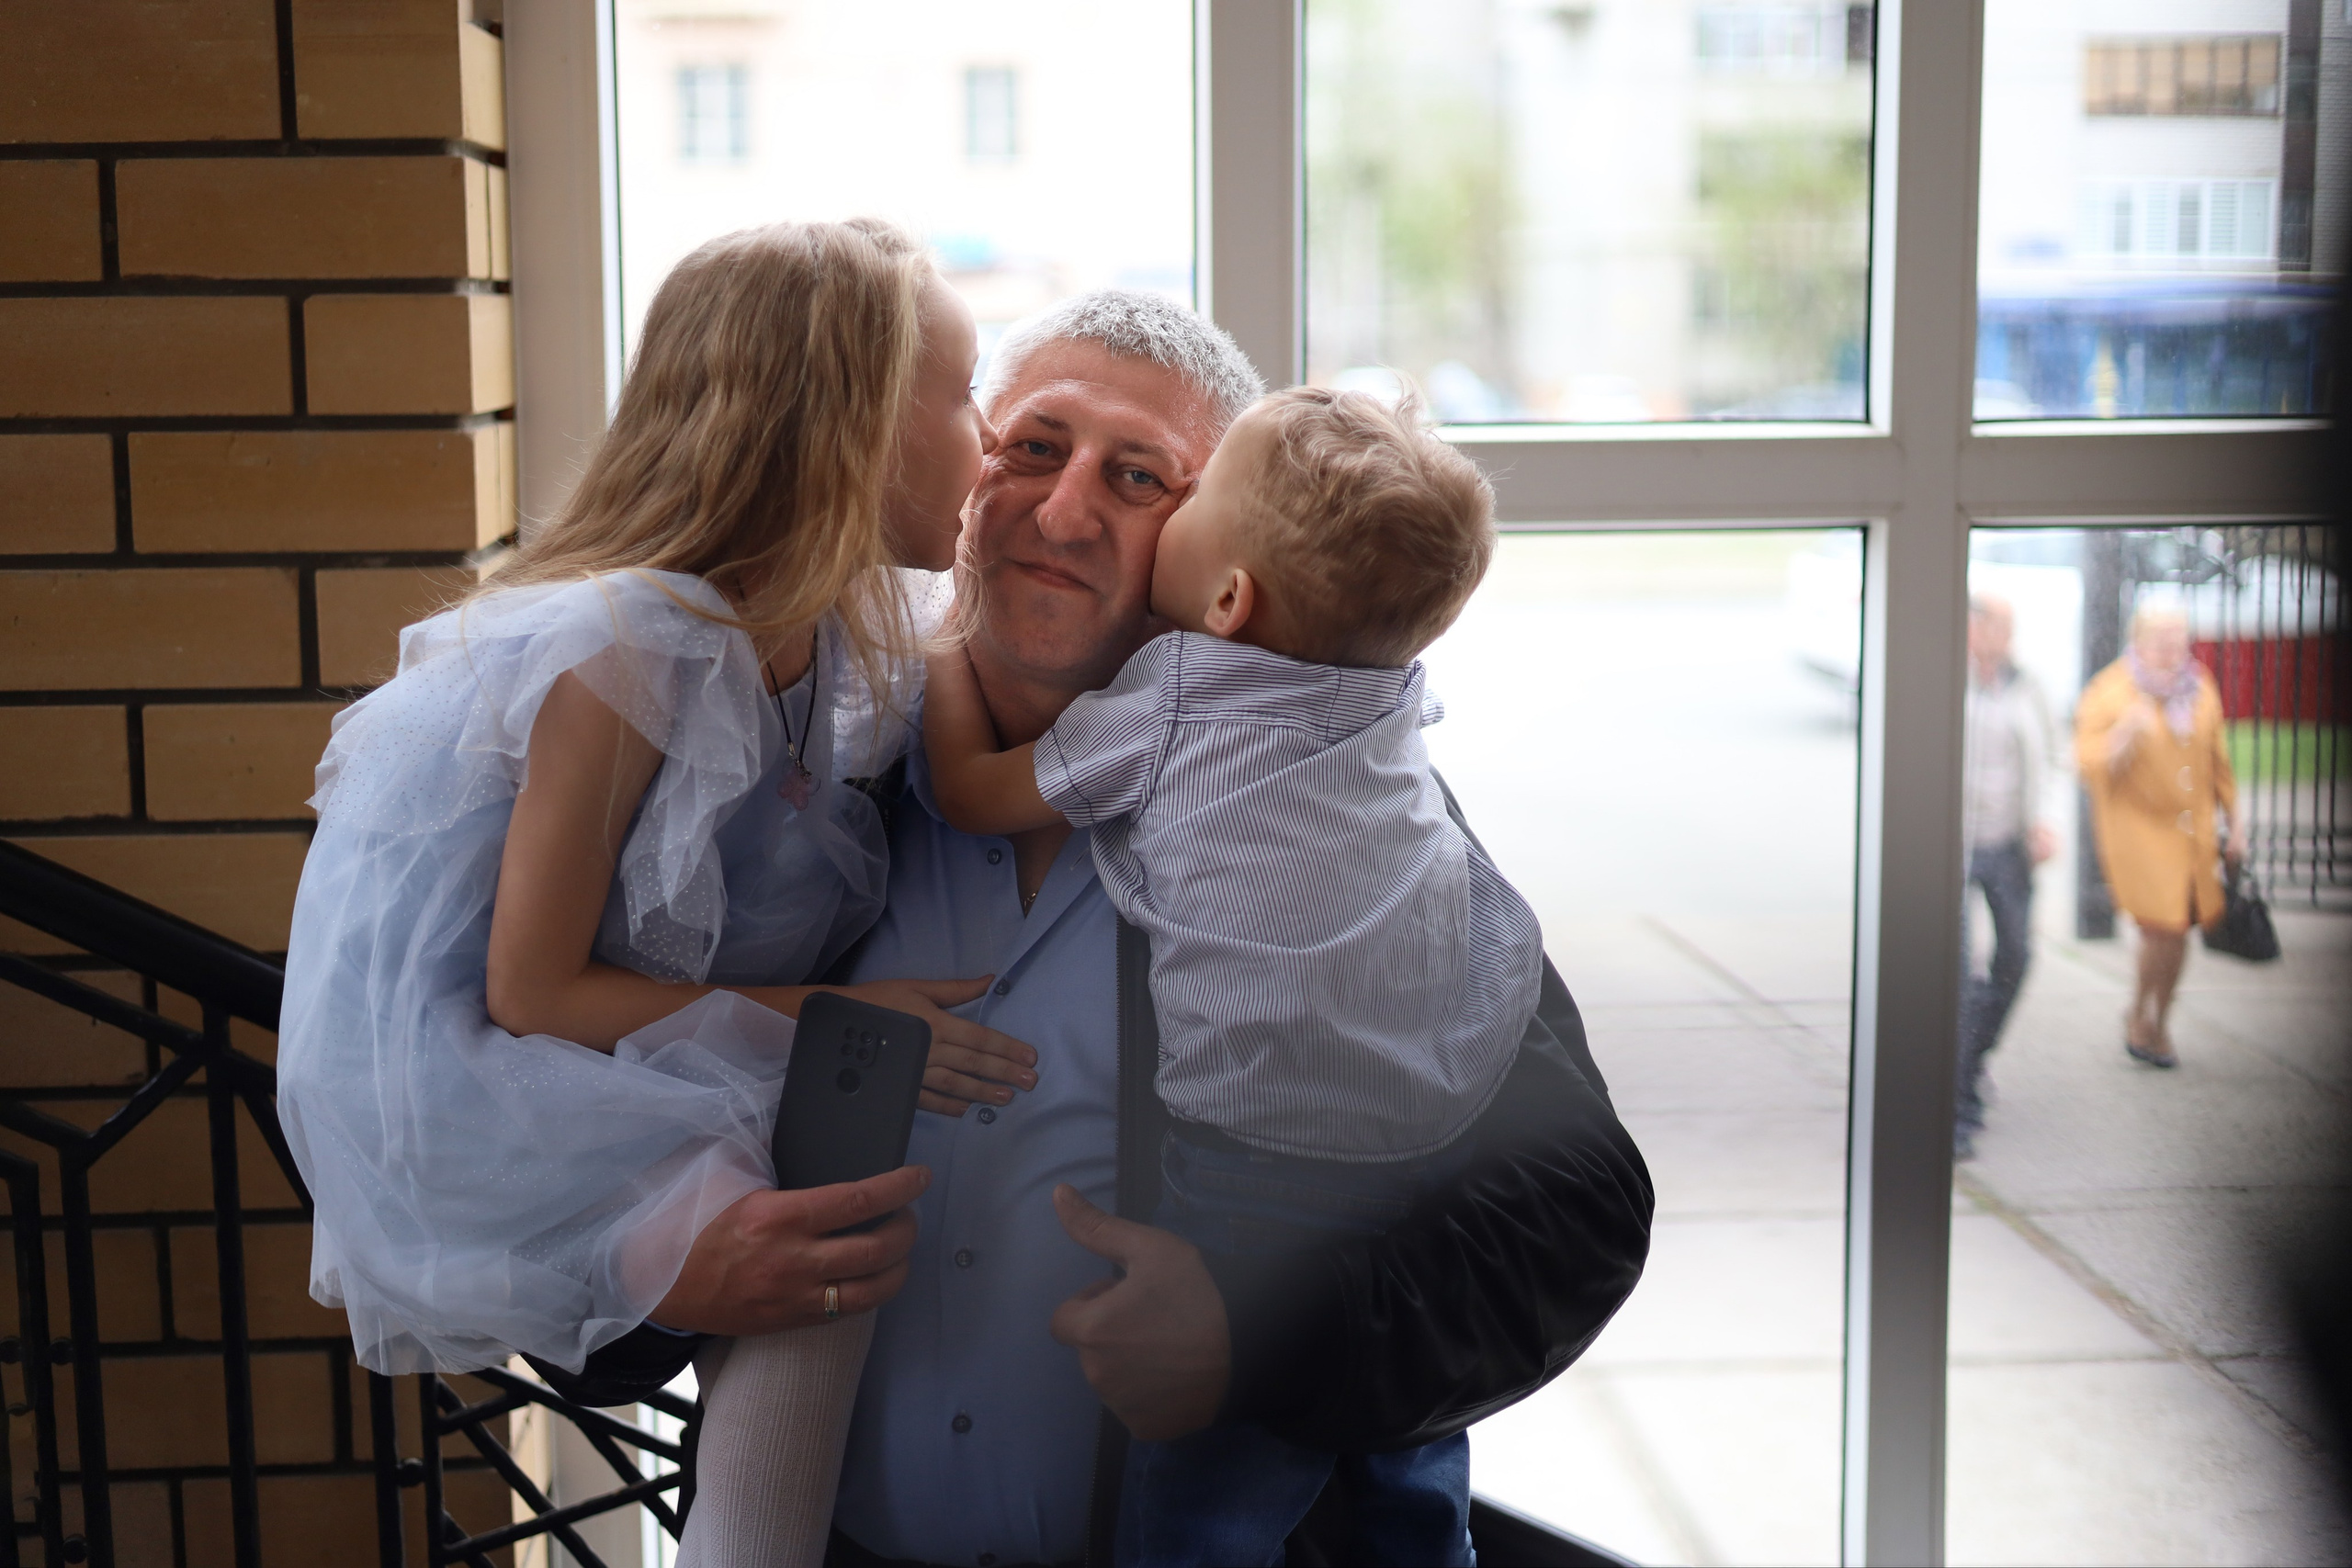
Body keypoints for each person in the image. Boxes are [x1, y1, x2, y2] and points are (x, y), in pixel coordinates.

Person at [548, 290, 1654, 1568]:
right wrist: (672, 1277)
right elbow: (545, 1143)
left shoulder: (1342, 841)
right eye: (1031, 445)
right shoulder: (797, 783)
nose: (1064, 509)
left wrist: (1260, 1334)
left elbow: (1575, 1218)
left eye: (1139, 475)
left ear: (1236, 562)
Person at [277, 220, 1038, 1568]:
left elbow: (983, 771)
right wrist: (829, 1011)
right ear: (849, 424)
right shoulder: (625, 646)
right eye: (962, 395)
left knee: (841, 1194)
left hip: (652, 1044)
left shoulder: (853, 634)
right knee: (817, 1227)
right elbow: (532, 988)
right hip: (488, 1068)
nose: (987, 441)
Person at [922, 384, 1543, 1566]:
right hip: (1424, 1125)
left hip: (1249, 1168)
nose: (1065, 510)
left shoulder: (1177, 701)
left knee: (1206, 1496)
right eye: (1031, 448)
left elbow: (966, 793)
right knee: (1414, 1472)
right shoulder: (1385, 700)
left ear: (1224, 598)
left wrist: (942, 629)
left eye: (1162, 484)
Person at [2075, 602, 2246, 1069]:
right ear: (2139, 641)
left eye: (2179, 641)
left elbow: (2218, 762)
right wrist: (2122, 737)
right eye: (2161, 641)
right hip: (2140, 832)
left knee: (2178, 931)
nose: (2172, 651)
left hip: (2190, 833)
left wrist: (2237, 823)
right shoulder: (2111, 691)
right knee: (2161, 926)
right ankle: (2144, 1019)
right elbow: (2086, 762)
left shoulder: (2199, 687)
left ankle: (2154, 1015)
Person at [1954, 592, 2057, 1159]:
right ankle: (1957, 1104)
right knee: (1960, 975)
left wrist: (2044, 822)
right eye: (1999, 626)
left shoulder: (2026, 684)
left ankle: (1968, 1059)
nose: (2008, 637)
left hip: (2007, 846)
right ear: (1971, 629)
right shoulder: (1946, 680)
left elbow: (2053, 757)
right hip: (1953, 848)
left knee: (2016, 957)